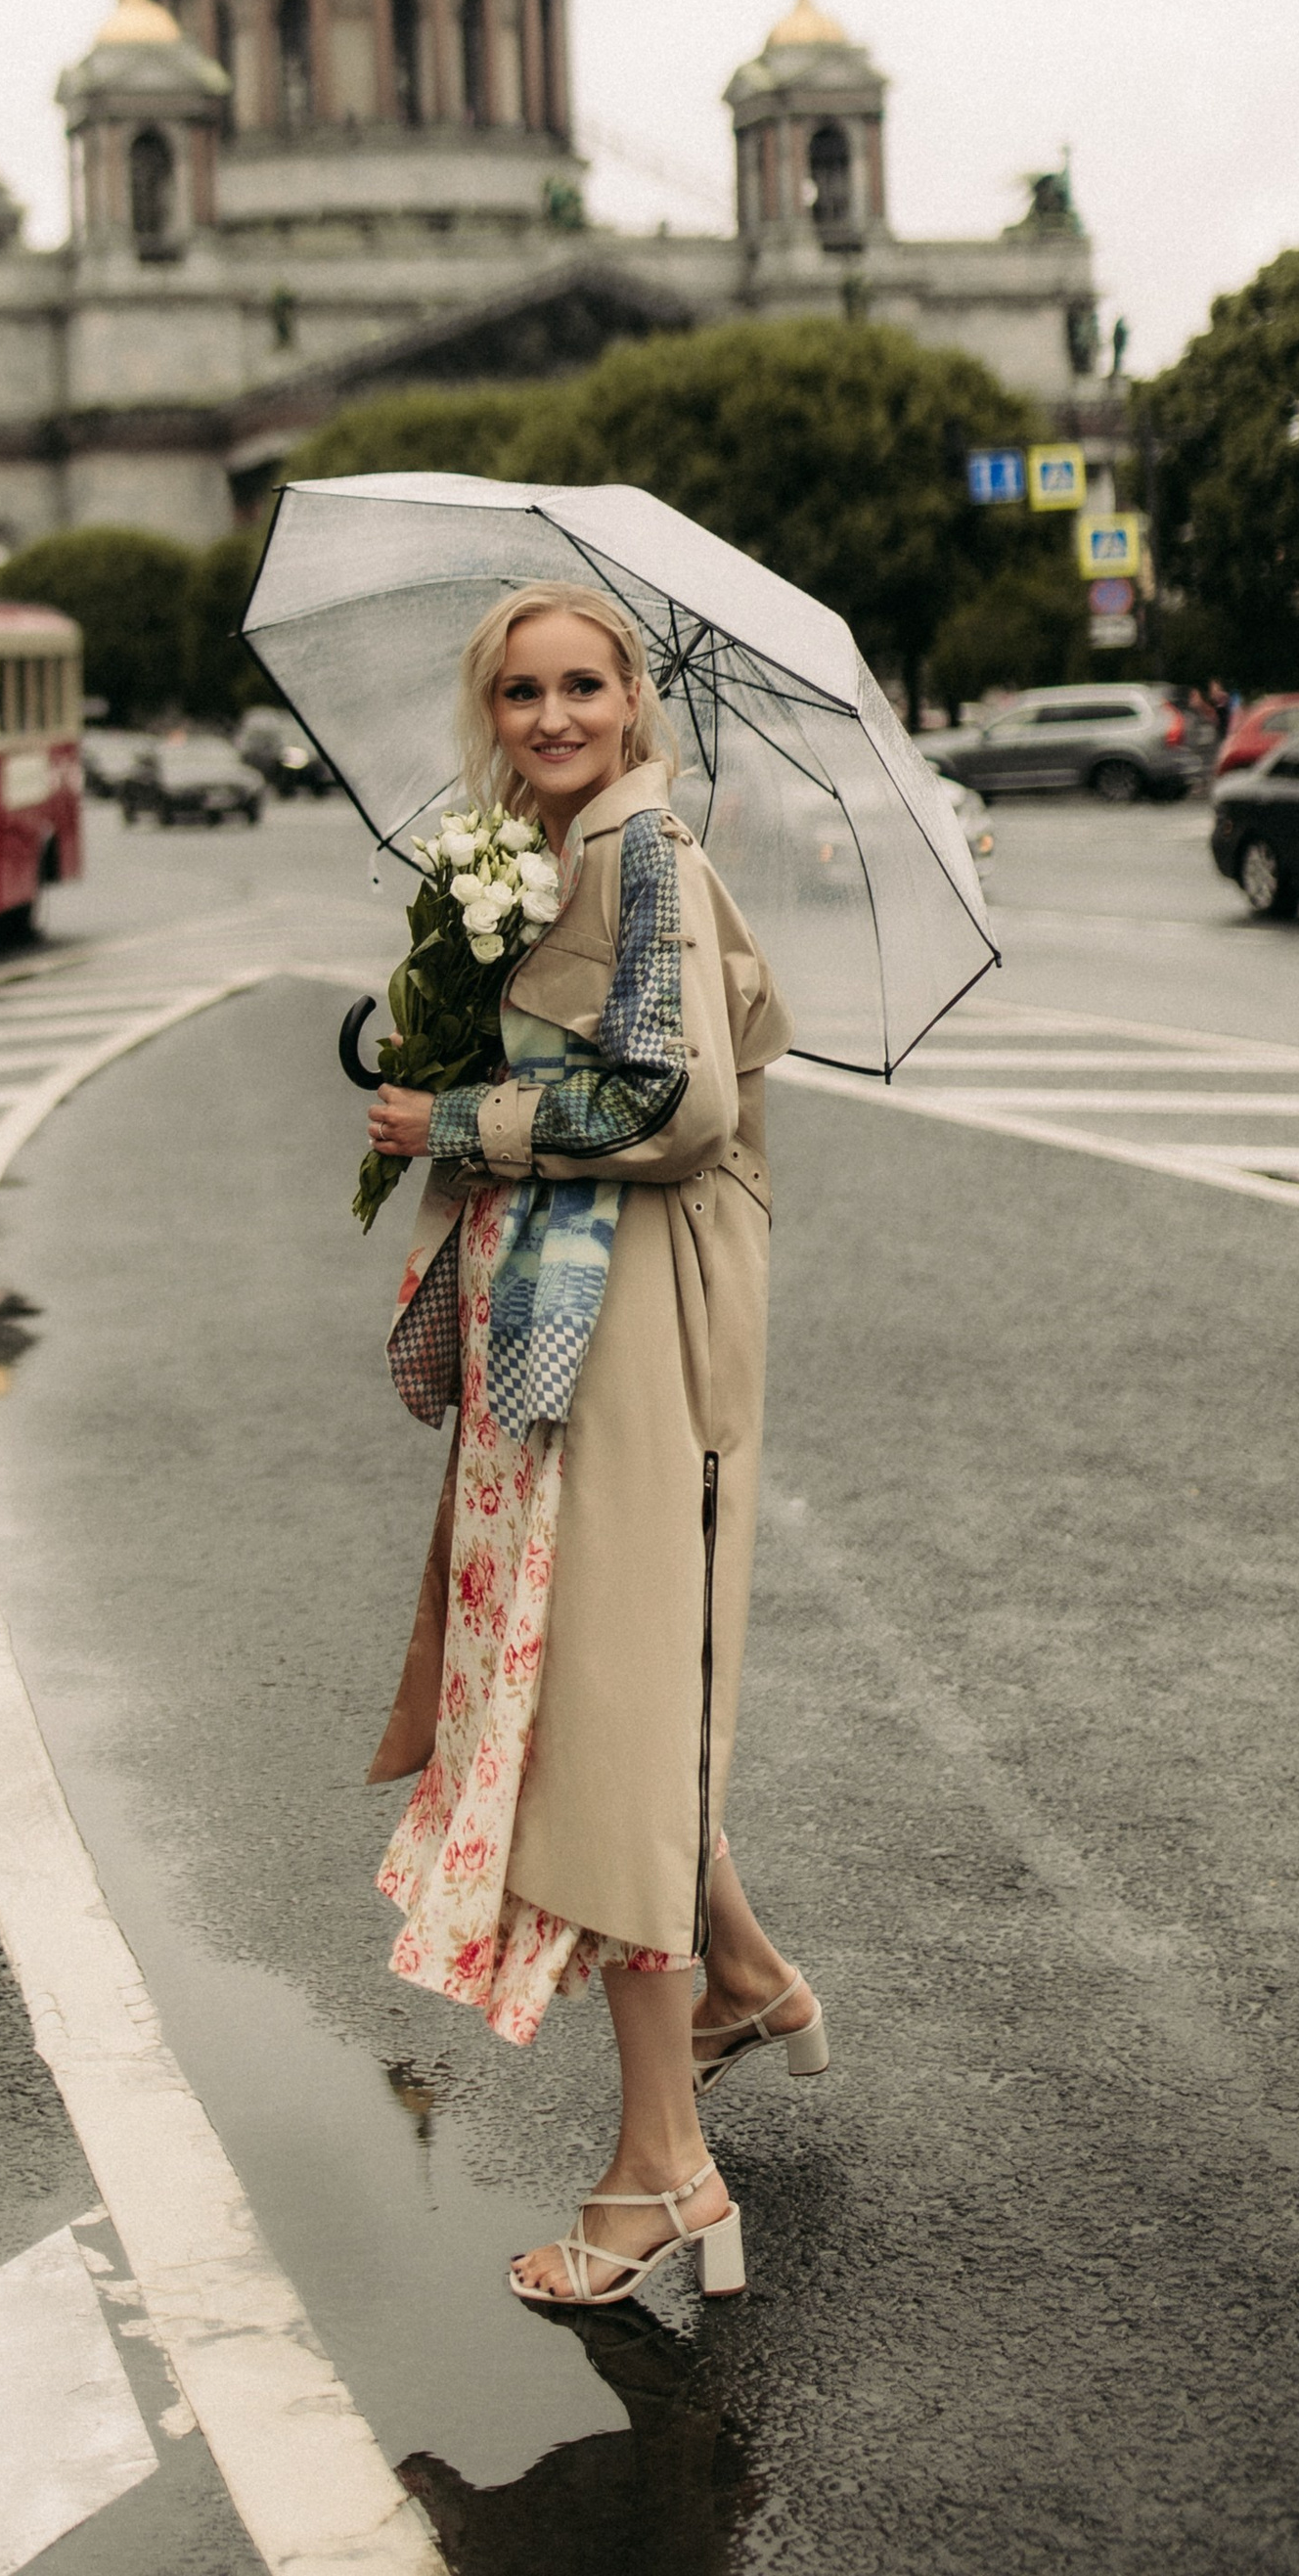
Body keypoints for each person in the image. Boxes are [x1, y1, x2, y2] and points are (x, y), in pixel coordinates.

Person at [363, 580, 821, 2312]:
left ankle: (660, 2171)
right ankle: (748, 1982)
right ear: (496, 712)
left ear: (634, 699)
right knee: (601, 1689)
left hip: (638, 1324)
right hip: (593, 1310)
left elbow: (679, 1099)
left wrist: (461, 1115)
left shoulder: (639, 856)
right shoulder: (579, 849)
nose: (555, 714)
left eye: (585, 683)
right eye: (525, 690)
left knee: (606, 1719)